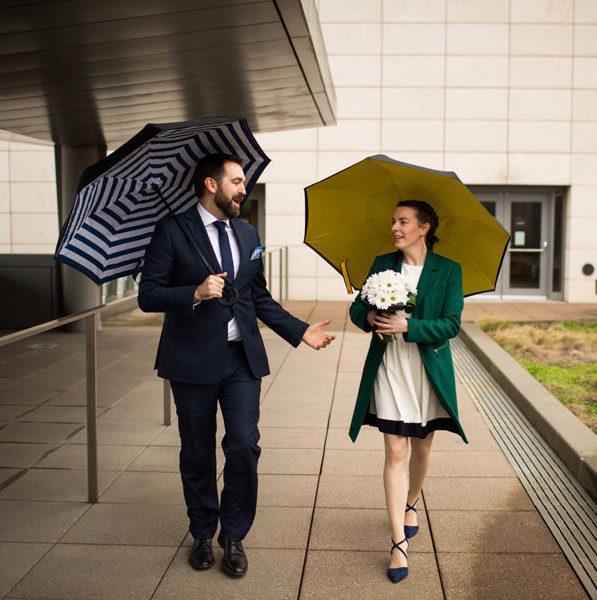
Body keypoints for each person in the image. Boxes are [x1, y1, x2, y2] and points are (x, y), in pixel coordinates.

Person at [138, 153, 335, 577]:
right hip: (190, 361)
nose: (244, 189)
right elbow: (148, 295)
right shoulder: (172, 231)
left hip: (241, 359)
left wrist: (301, 331)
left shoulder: (247, 233)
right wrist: (195, 292)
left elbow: (256, 296)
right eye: (237, 181)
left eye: (244, 181)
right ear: (211, 184)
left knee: (244, 445)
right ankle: (202, 533)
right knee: (197, 450)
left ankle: (234, 535)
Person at [348, 199, 467, 583]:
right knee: (396, 450)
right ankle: (398, 541)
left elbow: (451, 324)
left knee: (422, 447)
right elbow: (356, 309)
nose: (395, 228)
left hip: (426, 370)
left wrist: (408, 327)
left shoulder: (448, 270)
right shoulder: (383, 264)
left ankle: (411, 501)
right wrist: (370, 315)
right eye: (394, 221)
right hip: (389, 367)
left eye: (403, 221)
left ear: (424, 227)